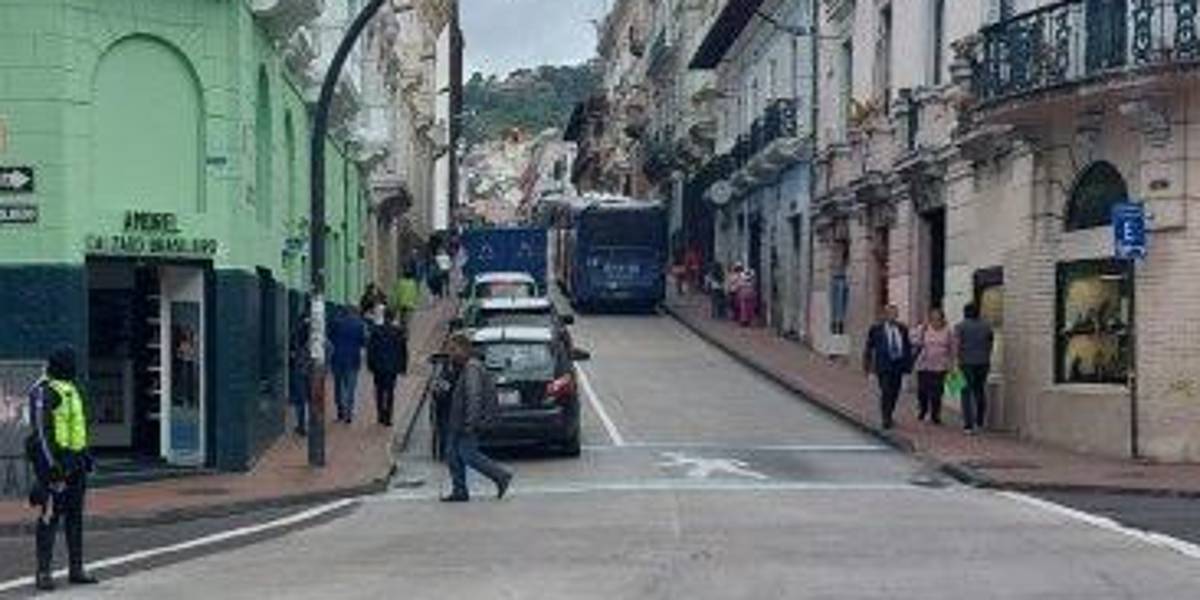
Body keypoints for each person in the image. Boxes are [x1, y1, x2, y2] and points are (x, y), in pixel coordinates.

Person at [26, 346, 99, 591]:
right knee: (49, 518)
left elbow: (78, 426)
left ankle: (76, 569)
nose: (74, 367)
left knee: (75, 518)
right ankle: (43, 572)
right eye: (70, 363)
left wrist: (85, 454)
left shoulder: (72, 389)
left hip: (75, 464)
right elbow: (41, 435)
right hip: (55, 467)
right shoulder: (44, 392)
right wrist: (51, 468)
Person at [441, 333, 512, 503]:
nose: (450, 353)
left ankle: (501, 476)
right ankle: (460, 490)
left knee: (468, 454)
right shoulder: (463, 366)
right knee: (452, 455)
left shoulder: (472, 368)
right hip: (457, 421)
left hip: (465, 422)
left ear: (464, 349)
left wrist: (471, 423)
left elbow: (474, 396)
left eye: (453, 349)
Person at [863, 304, 913, 430]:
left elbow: (907, 347)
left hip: (898, 365)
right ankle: (886, 418)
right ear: (885, 315)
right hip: (883, 365)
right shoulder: (876, 329)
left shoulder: (902, 328)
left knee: (895, 392)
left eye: (895, 314)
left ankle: (889, 413)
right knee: (886, 391)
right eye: (890, 313)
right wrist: (867, 366)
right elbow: (869, 347)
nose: (893, 316)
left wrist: (908, 366)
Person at [955, 303, 995, 434]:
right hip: (983, 362)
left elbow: (957, 345)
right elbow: (990, 343)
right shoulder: (987, 326)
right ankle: (980, 421)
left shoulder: (960, 327)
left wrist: (956, 360)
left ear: (965, 313)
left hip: (965, 363)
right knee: (980, 390)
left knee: (966, 392)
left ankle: (968, 425)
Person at [911, 307, 955, 425]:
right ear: (930, 318)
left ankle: (935, 415)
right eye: (933, 317)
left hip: (941, 366)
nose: (936, 320)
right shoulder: (924, 328)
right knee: (922, 391)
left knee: (937, 392)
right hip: (924, 365)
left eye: (938, 318)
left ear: (942, 318)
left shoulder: (948, 331)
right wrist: (921, 332)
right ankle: (923, 409)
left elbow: (952, 348)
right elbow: (914, 342)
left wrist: (952, 364)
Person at [367, 307, 408, 427]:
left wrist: (370, 365)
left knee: (379, 390)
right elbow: (403, 351)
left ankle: (380, 414)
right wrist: (403, 367)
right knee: (390, 391)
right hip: (392, 367)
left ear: (384, 317)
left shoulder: (376, 330)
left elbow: (371, 350)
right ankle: (388, 417)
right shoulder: (399, 331)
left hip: (378, 366)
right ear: (394, 317)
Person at [329, 307, 368, 423]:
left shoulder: (335, 323)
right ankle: (348, 414)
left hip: (337, 359)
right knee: (350, 387)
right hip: (353, 360)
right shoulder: (360, 324)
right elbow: (364, 342)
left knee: (339, 386)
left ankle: (340, 411)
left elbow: (330, 338)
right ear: (354, 313)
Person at [289, 310, 312, 436]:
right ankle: (309, 423)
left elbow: (292, 353)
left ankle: (301, 424)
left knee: (300, 399)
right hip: (313, 370)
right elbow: (329, 348)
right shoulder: (316, 334)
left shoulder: (295, 333)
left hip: (299, 369)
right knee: (311, 397)